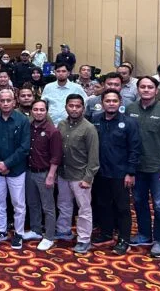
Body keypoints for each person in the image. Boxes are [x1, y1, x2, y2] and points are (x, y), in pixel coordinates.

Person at [125, 75, 160, 258]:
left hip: (158, 167)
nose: (146, 90)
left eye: (150, 87)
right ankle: (144, 234)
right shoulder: (130, 108)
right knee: (139, 202)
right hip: (137, 167)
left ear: (156, 90)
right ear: (137, 89)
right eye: (142, 87)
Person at [90, 90, 141, 255]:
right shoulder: (95, 120)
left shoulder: (129, 123)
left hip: (121, 173)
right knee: (103, 205)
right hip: (100, 172)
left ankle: (124, 239)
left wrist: (130, 172)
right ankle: (106, 233)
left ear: (120, 103)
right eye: (108, 101)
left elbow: (135, 149)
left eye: (114, 101)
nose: (111, 103)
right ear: (102, 103)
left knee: (122, 207)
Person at [0, 89, 30, 250]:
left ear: (14, 102)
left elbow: (24, 147)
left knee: (18, 203)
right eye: (2, 100)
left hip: (16, 169)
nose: (5, 103)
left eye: (8, 100)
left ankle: (19, 233)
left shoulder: (22, 120)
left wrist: (7, 164)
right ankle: (1, 230)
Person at [56, 94, 99, 254]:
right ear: (66, 107)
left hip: (81, 175)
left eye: (78, 106)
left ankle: (84, 239)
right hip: (63, 173)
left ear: (83, 108)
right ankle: (64, 230)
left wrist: (88, 178)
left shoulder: (89, 128)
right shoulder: (61, 124)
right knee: (64, 205)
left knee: (84, 209)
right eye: (71, 106)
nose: (74, 109)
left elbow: (94, 157)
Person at [25, 99, 62, 252]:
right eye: (36, 109)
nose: (38, 112)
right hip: (29, 171)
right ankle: (35, 229)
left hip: (44, 173)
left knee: (48, 207)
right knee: (33, 203)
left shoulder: (52, 131)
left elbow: (56, 156)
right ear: (31, 111)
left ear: (46, 112)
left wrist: (51, 175)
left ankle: (49, 236)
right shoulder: (28, 127)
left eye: (42, 110)